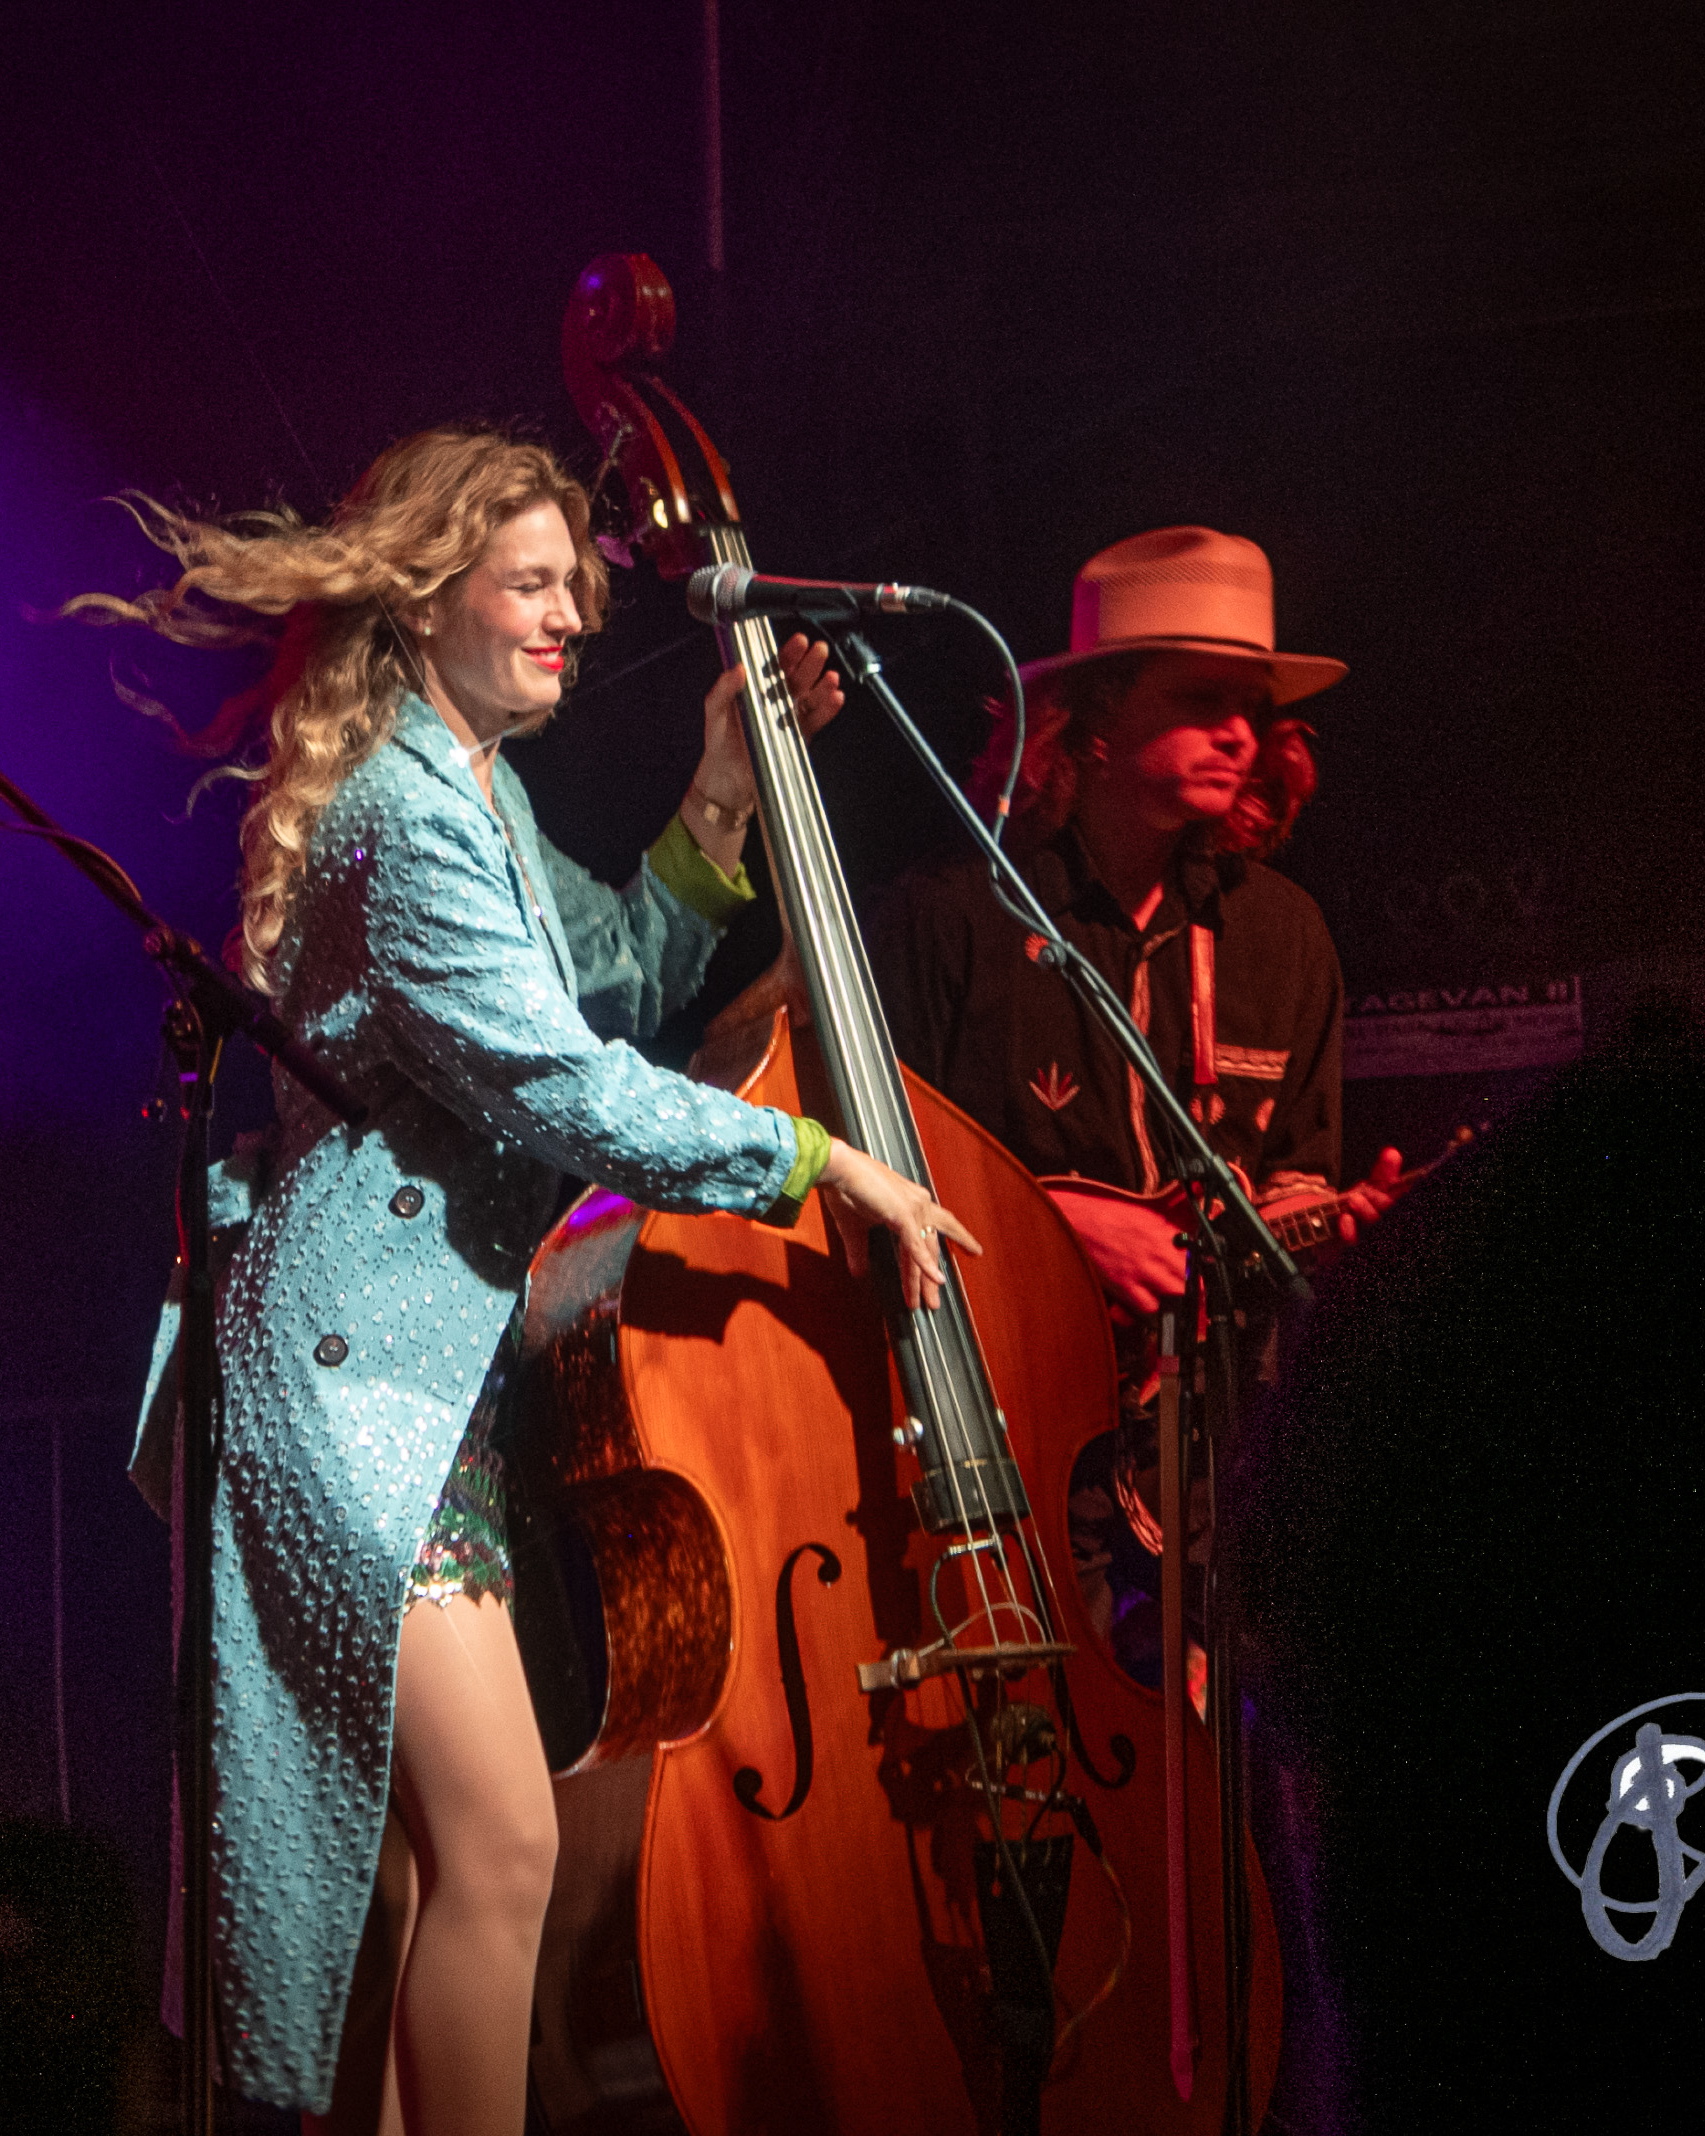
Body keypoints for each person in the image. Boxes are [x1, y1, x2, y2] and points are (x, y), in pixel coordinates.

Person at [88, 429, 978, 2132]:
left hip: (415, 1385)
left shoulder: (468, 793)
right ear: (430, 596)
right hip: (351, 1382)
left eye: (578, 583)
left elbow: (623, 971)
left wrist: (723, 783)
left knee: (435, 1876)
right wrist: (812, 1157)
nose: (575, 613)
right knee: (504, 1842)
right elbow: (568, 1086)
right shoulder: (407, 823)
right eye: (535, 583)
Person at [865, 525, 1398, 1685]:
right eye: (1200, 698)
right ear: (1094, 718)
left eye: (1252, 706)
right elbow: (855, 1172)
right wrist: (1052, 1228)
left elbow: (1296, 1169)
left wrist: (1323, 1223)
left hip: (1210, 1464)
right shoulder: (950, 915)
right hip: (1002, 1448)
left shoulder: (1282, 933)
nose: (1239, 733)